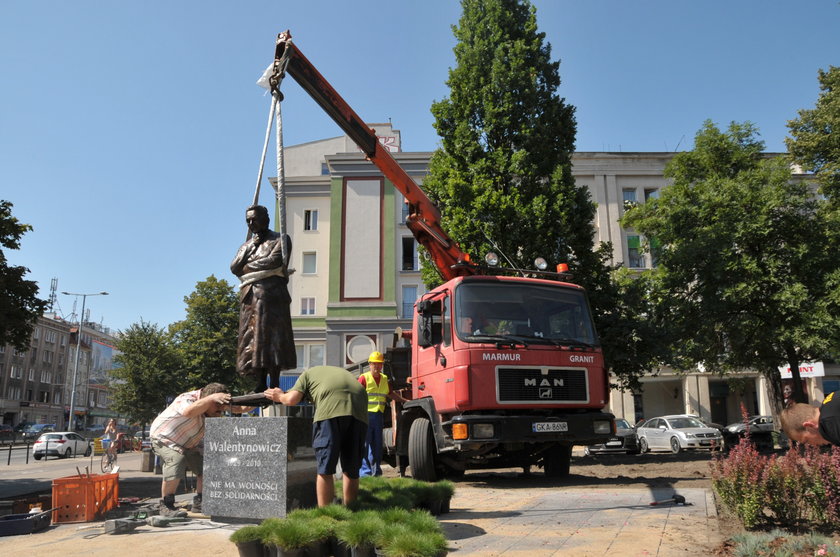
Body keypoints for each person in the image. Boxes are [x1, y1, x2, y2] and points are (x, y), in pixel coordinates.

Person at [264, 365, 368, 507]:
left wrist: (280, 396)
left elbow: (292, 399)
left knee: (325, 467)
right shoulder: (334, 373)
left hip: (331, 408)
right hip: (359, 408)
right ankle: (351, 508)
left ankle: (326, 514)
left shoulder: (306, 374)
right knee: (351, 467)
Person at [231, 204, 297, 392]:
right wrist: (250, 248)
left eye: (254, 219)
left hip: (272, 298)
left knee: (272, 340)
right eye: (248, 221)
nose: (251, 223)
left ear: (266, 219)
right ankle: (259, 383)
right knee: (253, 341)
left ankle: (274, 382)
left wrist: (248, 266)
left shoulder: (281, 239)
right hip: (251, 299)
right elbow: (234, 267)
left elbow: (273, 261)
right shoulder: (247, 245)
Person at [150, 383, 237, 516]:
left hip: (188, 442)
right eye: (217, 404)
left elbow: (240, 408)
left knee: (207, 465)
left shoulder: (210, 406)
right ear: (207, 398)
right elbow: (188, 412)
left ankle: (200, 502)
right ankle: (166, 505)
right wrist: (211, 399)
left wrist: (261, 398)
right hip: (164, 437)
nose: (221, 409)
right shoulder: (186, 398)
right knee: (176, 460)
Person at [358, 351, 406, 477]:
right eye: (375, 364)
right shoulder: (364, 378)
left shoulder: (384, 379)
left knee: (377, 445)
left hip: (378, 415)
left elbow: (390, 394)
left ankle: (376, 471)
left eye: (380, 364)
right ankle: (365, 472)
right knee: (365, 444)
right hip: (365, 415)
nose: (378, 367)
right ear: (370, 364)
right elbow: (356, 395)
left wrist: (404, 400)